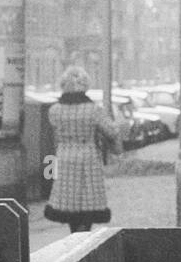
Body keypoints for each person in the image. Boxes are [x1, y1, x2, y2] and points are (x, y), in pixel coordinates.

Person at [43, 65, 122, 233]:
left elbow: (54, 136)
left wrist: (49, 169)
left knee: (69, 203)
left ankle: (74, 233)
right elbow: (112, 131)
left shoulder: (55, 111)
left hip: (64, 158)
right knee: (88, 203)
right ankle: (83, 234)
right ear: (85, 85)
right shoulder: (93, 110)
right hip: (88, 158)